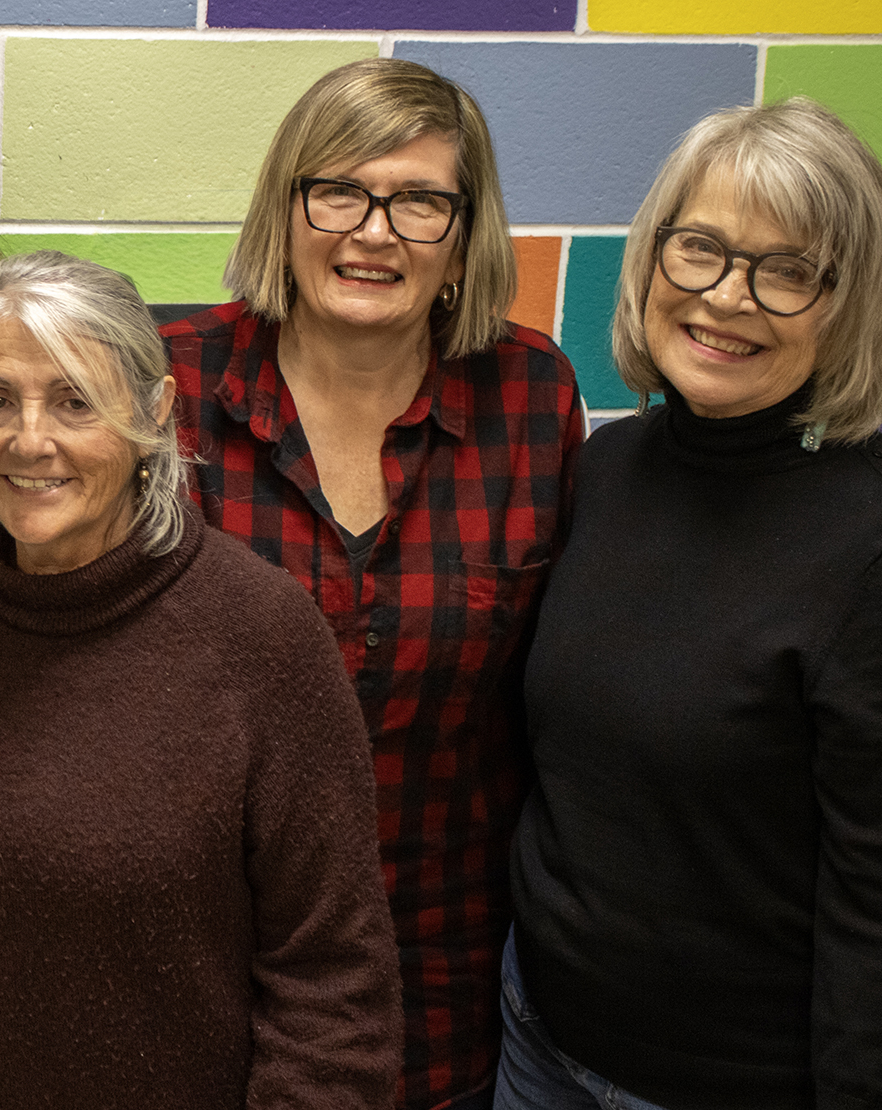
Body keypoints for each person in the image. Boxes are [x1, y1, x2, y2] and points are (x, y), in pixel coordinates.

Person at [0, 251, 401, 1109]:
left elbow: (333, 980)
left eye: (75, 400)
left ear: (152, 413)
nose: (29, 439)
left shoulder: (259, 634)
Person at [159, 57, 584, 1110]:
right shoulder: (164, 379)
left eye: (418, 202)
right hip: (194, 943)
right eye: (337, 190)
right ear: (287, 205)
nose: (372, 230)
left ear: (462, 236)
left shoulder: (530, 394)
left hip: (436, 956)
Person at [500, 99, 882, 1110]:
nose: (727, 298)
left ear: (848, 303)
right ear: (650, 260)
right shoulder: (606, 465)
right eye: (700, 250)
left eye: (787, 271)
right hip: (535, 1042)